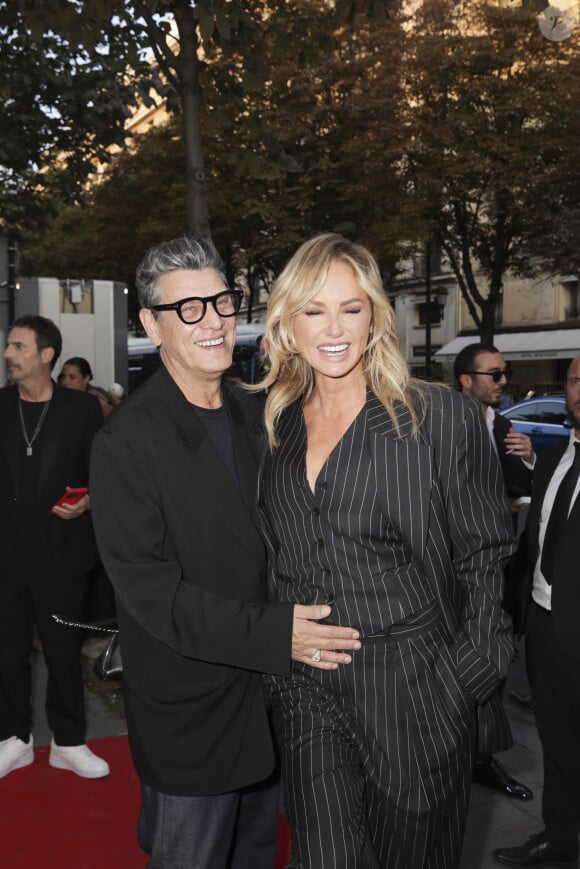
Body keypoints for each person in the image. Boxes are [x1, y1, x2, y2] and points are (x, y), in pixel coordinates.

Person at [89, 235, 361, 868]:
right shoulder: (126, 442)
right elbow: (153, 596)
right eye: (188, 309)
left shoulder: (257, 411)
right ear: (151, 326)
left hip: (274, 707)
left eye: (221, 301)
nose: (212, 320)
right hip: (194, 713)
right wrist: (276, 634)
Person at [254, 233, 515, 868]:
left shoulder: (438, 417)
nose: (333, 327)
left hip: (416, 690)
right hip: (307, 689)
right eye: (313, 310)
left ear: (374, 315)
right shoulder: (274, 422)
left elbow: (485, 560)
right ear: (289, 323)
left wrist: (459, 687)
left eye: (351, 307)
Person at [0, 315, 109, 779]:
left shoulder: (80, 409)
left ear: (46, 354)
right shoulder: (0, 404)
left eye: (18, 346)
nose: (8, 354)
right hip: (6, 556)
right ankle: (14, 739)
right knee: (7, 653)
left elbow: (102, 473)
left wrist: (88, 500)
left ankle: (68, 743)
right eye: (9, 346)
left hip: (63, 555)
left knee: (63, 652)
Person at [492, 355, 580, 868]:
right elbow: (534, 547)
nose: (579, 389)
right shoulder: (551, 459)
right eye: (573, 380)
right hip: (546, 628)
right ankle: (559, 835)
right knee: (557, 743)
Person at [454, 342, 534, 801]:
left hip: (493, 569)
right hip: (445, 568)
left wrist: (527, 463)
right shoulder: (432, 423)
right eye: (494, 375)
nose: (503, 383)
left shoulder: (503, 427)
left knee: (492, 665)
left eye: (505, 374)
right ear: (466, 380)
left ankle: (481, 757)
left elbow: (518, 491)